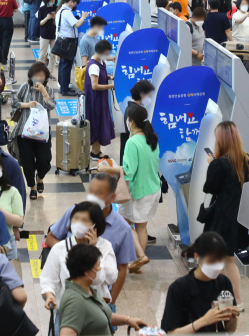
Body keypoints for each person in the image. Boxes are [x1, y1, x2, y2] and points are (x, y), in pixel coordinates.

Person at [46, 173, 136, 309]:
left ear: (112, 197)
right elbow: (51, 237)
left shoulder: (122, 229)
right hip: (67, 299)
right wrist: (66, 252)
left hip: (98, 300)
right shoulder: (75, 212)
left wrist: (111, 304)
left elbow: (121, 269)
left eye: (98, 193)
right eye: (91, 191)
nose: (93, 197)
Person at [99, 105, 160, 274]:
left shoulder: (132, 142)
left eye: (127, 119)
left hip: (138, 192)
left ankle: (139, 257)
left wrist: (107, 169)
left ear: (131, 122)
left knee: (124, 224)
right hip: (153, 189)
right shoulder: (152, 139)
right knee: (141, 226)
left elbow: (129, 170)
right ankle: (137, 262)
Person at [41, 202, 118, 331]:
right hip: (69, 311)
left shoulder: (105, 246)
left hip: (97, 310)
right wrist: (49, 295)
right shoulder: (59, 248)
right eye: (75, 218)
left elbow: (110, 277)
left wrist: (94, 250)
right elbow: (48, 279)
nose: (78, 223)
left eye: (84, 220)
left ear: (95, 224)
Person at [201, 121, 249, 308]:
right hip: (237, 218)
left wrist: (212, 163)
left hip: (221, 217)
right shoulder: (245, 159)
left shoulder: (219, 164)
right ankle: (233, 299)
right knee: (228, 260)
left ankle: (232, 299)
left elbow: (209, 188)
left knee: (220, 259)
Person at [58, 243, 146, 336]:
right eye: (98, 265)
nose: (100, 269)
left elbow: (101, 315)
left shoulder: (88, 290)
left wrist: (128, 320)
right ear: (86, 271)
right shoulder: (75, 301)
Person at [162, 232, 240, 333]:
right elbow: (171, 333)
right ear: (197, 257)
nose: (217, 266)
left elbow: (229, 331)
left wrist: (233, 319)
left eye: (221, 260)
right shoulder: (179, 288)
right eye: (212, 261)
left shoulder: (223, 283)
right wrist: (204, 321)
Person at [12, 62, 55, 200]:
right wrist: (26, 105)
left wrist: (43, 92)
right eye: (35, 75)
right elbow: (14, 100)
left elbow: (52, 105)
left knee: (45, 159)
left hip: (42, 132)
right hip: (24, 130)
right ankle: (32, 187)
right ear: (30, 76)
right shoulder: (25, 87)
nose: (38, 78)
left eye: (41, 76)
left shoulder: (48, 89)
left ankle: (40, 177)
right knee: (27, 161)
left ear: (45, 77)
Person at [85, 40, 116, 160]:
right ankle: (96, 153)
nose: (107, 56)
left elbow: (100, 76)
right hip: (95, 100)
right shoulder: (93, 65)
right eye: (107, 53)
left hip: (100, 99)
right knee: (96, 123)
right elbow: (95, 86)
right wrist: (111, 86)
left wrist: (108, 77)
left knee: (99, 122)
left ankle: (95, 151)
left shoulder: (100, 60)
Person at [55, 0, 88, 96]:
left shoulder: (60, 11)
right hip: (68, 42)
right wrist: (83, 17)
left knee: (62, 65)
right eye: (75, 4)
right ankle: (65, 89)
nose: (75, 6)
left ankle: (62, 85)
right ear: (71, 2)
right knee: (66, 65)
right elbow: (77, 24)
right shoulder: (67, 12)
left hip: (62, 40)